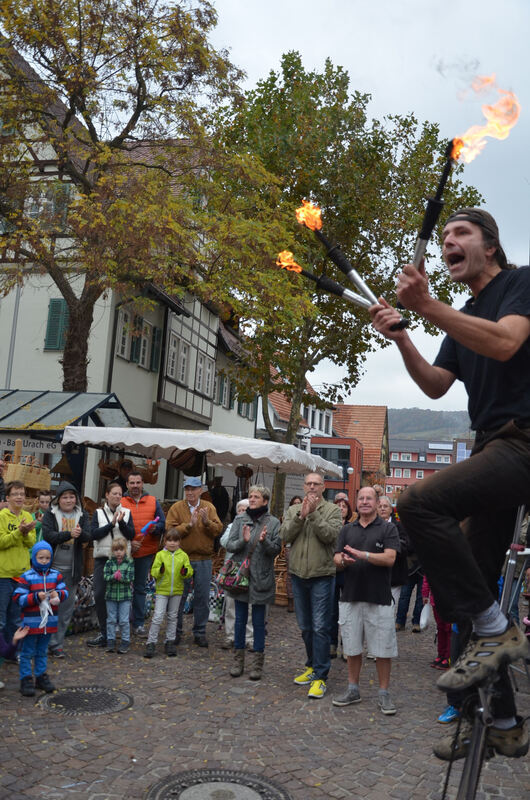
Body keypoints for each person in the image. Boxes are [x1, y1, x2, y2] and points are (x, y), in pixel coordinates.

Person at [370, 207, 530, 757]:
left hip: (525, 441)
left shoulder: (520, 284)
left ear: (491, 244)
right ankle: (502, 721)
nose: (447, 244)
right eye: (442, 238)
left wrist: (429, 307)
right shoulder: (460, 314)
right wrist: (403, 337)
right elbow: (437, 386)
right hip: (492, 445)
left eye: (460, 234)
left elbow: (507, 343)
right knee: (471, 594)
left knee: (416, 502)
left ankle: (497, 628)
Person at [332, 486, 400, 715]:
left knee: (383, 650)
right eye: (360, 498)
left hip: (378, 597)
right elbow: (336, 557)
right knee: (351, 647)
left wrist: (364, 556)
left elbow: (390, 558)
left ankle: (384, 693)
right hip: (350, 596)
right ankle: (353, 689)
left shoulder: (388, 528)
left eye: (369, 498)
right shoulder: (347, 529)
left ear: (376, 501)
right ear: (356, 502)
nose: (364, 502)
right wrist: (342, 560)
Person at [281, 472, 342, 699]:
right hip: (298, 574)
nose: (312, 487)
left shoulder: (333, 510)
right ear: (304, 486)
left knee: (320, 627)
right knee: (305, 626)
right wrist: (300, 517)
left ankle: (320, 676)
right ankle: (311, 665)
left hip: (321, 575)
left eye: (316, 484)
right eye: (309, 483)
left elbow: (331, 537)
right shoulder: (293, 510)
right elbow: (284, 535)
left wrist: (314, 514)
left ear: (323, 487)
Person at [226, 485, 281, 680]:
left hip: (261, 577)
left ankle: (257, 664)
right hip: (241, 577)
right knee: (240, 621)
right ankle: (238, 661)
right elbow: (229, 545)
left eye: (256, 497)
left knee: (258, 622)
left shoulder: (273, 522)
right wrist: (243, 540)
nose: (252, 499)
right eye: (250, 496)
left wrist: (265, 541)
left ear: (265, 501)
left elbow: (276, 549)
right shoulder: (240, 519)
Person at [165, 476, 223, 647]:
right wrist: (188, 525)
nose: (190, 492)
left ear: (200, 490)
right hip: (182, 558)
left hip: (204, 559)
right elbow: (169, 531)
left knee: (202, 597)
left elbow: (218, 529)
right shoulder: (177, 508)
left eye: (193, 489)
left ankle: (199, 632)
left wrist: (206, 522)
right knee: (178, 597)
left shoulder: (209, 507)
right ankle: (175, 632)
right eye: (187, 489)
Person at [41, 481, 91, 658]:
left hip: (72, 570)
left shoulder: (82, 514)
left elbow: (89, 535)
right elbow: (49, 535)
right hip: (51, 569)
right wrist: (68, 535)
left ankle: (57, 644)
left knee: (66, 608)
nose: (69, 500)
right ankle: (42, 643)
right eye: (65, 497)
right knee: (46, 606)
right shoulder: (51, 514)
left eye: (72, 497)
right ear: (58, 499)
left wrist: (80, 534)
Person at [13, 541, 68, 696]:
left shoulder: (56, 575)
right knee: (27, 651)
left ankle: (40, 676)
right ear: (34, 557)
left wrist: (59, 595)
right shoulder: (26, 577)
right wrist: (36, 597)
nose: (44, 561)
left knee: (42, 651)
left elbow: (65, 592)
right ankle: (25, 678)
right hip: (30, 623)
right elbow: (18, 598)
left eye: (47, 558)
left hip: (48, 623)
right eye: (40, 557)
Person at [87, 481, 135, 648]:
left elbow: (131, 534)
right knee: (100, 594)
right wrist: (111, 524)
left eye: (120, 494)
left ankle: (122, 634)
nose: (117, 496)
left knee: (122, 596)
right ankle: (105, 632)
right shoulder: (98, 513)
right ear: (106, 495)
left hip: (122, 561)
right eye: (114, 493)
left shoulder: (127, 512)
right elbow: (94, 534)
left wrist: (121, 523)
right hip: (102, 558)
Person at [121, 471, 166, 637]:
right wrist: (128, 543)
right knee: (123, 587)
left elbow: (162, 522)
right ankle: (121, 623)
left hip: (145, 551)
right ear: (127, 485)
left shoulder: (153, 501)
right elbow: (116, 527)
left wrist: (157, 528)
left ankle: (139, 624)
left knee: (140, 588)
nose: (135, 486)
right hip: (124, 553)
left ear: (142, 484)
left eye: (138, 482)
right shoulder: (121, 501)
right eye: (131, 483)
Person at [144, 529, 193, 659]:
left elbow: (189, 571)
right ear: (165, 541)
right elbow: (154, 572)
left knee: (173, 616)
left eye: (175, 540)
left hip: (177, 590)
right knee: (158, 616)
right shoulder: (160, 555)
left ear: (179, 542)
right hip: (162, 590)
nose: (172, 543)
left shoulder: (183, 555)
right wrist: (160, 571)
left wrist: (185, 572)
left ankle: (170, 641)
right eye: (169, 540)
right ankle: (151, 642)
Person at [0, 481, 37, 645]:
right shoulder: (1, 516)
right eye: (15, 494)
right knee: (1, 618)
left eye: (22, 494)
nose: (19, 497)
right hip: (3, 574)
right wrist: (19, 532)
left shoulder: (28, 516)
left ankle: (12, 651)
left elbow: (31, 544)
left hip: (21, 575)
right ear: (7, 498)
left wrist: (26, 533)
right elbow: (1, 542)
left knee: (16, 618)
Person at [219, 498, 252, 649]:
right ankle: (230, 636)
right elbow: (225, 542)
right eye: (240, 510)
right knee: (231, 605)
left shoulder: (255, 525)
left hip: (250, 570)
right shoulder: (232, 526)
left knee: (251, 607)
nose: (242, 513)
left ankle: (249, 638)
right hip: (232, 571)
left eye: (245, 510)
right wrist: (240, 537)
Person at [330, 497, 355, 659]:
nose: (341, 508)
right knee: (331, 611)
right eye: (338, 506)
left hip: (347, 572)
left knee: (347, 611)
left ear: (348, 510)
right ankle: (332, 644)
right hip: (331, 572)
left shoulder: (352, 528)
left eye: (344, 506)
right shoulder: (330, 525)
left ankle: (347, 644)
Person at [102, 537, 135, 654]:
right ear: (113, 551)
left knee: (124, 620)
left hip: (124, 596)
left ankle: (125, 640)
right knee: (111, 619)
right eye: (116, 550)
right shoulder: (109, 563)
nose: (118, 552)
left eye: (121, 550)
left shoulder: (129, 563)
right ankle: (110, 640)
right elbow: (105, 577)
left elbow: (131, 578)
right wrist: (113, 577)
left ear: (125, 550)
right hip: (110, 596)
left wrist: (122, 578)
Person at [378, 496, 409, 607]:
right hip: (375, 575)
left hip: (394, 575)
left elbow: (406, 547)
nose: (382, 509)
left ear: (391, 509)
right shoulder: (371, 526)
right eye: (380, 506)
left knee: (389, 609)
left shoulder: (399, 526)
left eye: (385, 506)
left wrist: (389, 542)